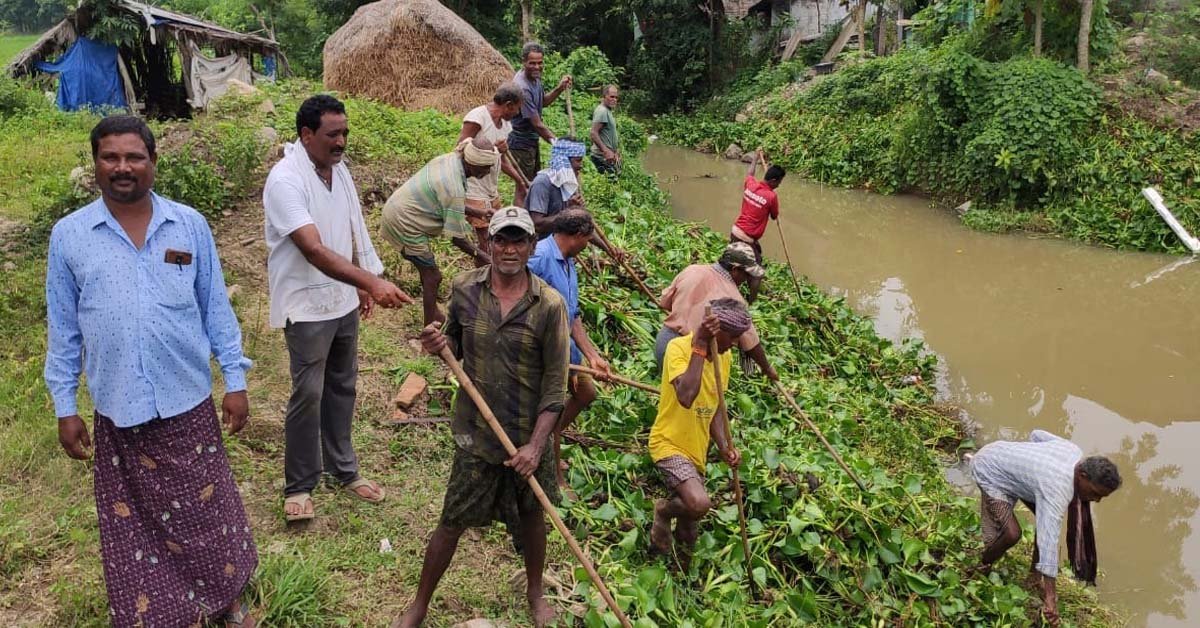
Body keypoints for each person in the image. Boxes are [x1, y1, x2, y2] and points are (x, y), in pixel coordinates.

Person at [45, 115, 258, 627]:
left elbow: (215, 309)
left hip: (187, 399)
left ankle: (226, 601)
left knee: (205, 513)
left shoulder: (188, 225)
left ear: (153, 162)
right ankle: (163, 613)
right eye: (110, 157)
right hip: (119, 409)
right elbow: (64, 330)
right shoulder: (70, 236)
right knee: (134, 523)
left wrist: (235, 381)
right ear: (95, 163)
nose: (123, 167)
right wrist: (65, 407)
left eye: (134, 157)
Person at [396, 207, 570, 628]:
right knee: (451, 520)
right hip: (477, 432)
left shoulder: (549, 305)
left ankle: (535, 593)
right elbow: (454, 345)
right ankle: (419, 604)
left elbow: (555, 386)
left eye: (518, 240)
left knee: (532, 517)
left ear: (531, 246)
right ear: (489, 244)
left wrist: (536, 446)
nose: (509, 249)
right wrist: (439, 343)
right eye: (501, 240)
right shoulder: (465, 289)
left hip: (527, 434)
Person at [264, 94, 413, 522]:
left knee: (343, 386)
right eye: (333, 134)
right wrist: (371, 282)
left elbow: (352, 225)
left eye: (345, 132)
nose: (342, 141)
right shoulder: (285, 180)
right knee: (308, 393)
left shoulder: (339, 170)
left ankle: (344, 470)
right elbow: (312, 248)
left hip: (342, 299)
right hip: (306, 304)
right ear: (306, 134)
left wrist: (361, 279)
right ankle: (299, 485)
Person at [971, 430, 1123, 626]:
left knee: (1043, 521)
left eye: (1102, 497)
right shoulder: (1057, 489)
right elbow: (1049, 541)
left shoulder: (1073, 451)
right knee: (1012, 534)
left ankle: (1034, 576)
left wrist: (1032, 466)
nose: (1097, 500)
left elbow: (1036, 435)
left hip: (999, 450)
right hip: (989, 470)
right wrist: (1051, 597)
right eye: (1095, 493)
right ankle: (982, 564)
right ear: (1082, 475)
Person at [648, 298, 750, 568]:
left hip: (697, 451)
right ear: (717, 332)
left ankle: (677, 574)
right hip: (668, 443)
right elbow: (686, 396)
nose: (735, 344)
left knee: (689, 532)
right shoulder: (678, 349)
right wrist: (701, 346)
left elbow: (715, 407)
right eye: (733, 337)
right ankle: (662, 510)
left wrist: (724, 446)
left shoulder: (724, 358)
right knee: (699, 504)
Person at [526, 209, 612, 490]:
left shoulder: (568, 261)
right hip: (546, 351)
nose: (588, 244)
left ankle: (546, 438)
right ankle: (556, 480)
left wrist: (593, 356)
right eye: (588, 239)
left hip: (569, 349)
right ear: (577, 236)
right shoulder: (538, 258)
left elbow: (572, 315)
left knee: (586, 393)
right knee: (551, 409)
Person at [380, 136, 498, 325]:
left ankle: (434, 314)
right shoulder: (453, 186)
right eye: (486, 167)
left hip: (397, 208)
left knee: (427, 271)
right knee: (433, 276)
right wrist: (484, 257)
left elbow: (448, 203)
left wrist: (480, 212)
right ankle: (429, 329)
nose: (489, 171)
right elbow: (457, 238)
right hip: (404, 223)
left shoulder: (452, 159)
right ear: (474, 164)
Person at [656, 241, 778, 381]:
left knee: (667, 386)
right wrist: (767, 368)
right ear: (735, 269)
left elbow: (664, 302)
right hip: (690, 354)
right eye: (746, 275)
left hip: (664, 344)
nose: (746, 280)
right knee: (687, 391)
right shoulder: (733, 299)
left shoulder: (692, 270)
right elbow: (750, 342)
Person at [458, 82, 528, 258]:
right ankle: (488, 271)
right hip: (473, 186)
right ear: (509, 105)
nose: (517, 113)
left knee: (495, 232)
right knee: (486, 240)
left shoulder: (505, 125)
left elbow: (502, 161)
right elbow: (459, 150)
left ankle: (487, 269)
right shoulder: (477, 118)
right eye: (517, 108)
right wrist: (493, 149)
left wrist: (520, 181)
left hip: (490, 188)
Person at [508, 41, 573, 189]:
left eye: (540, 63)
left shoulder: (535, 78)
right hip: (521, 143)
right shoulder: (522, 87)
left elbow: (543, 102)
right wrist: (559, 144)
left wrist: (560, 88)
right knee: (525, 187)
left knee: (533, 183)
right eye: (532, 63)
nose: (537, 67)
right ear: (524, 62)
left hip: (531, 141)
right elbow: (537, 124)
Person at [731, 148, 785, 302]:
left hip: (735, 231)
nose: (779, 185)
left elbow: (750, 173)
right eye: (779, 182)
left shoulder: (751, 184)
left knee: (743, 260)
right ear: (773, 181)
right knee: (757, 274)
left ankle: (736, 279)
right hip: (746, 238)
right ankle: (752, 303)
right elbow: (774, 216)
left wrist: (755, 158)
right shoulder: (771, 196)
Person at [589, 84, 621, 175]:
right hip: (601, 159)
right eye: (612, 97)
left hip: (608, 158)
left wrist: (615, 151)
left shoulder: (607, 110)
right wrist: (606, 151)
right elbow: (593, 133)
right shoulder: (602, 111)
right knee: (609, 181)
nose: (614, 99)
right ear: (604, 96)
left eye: (616, 97)